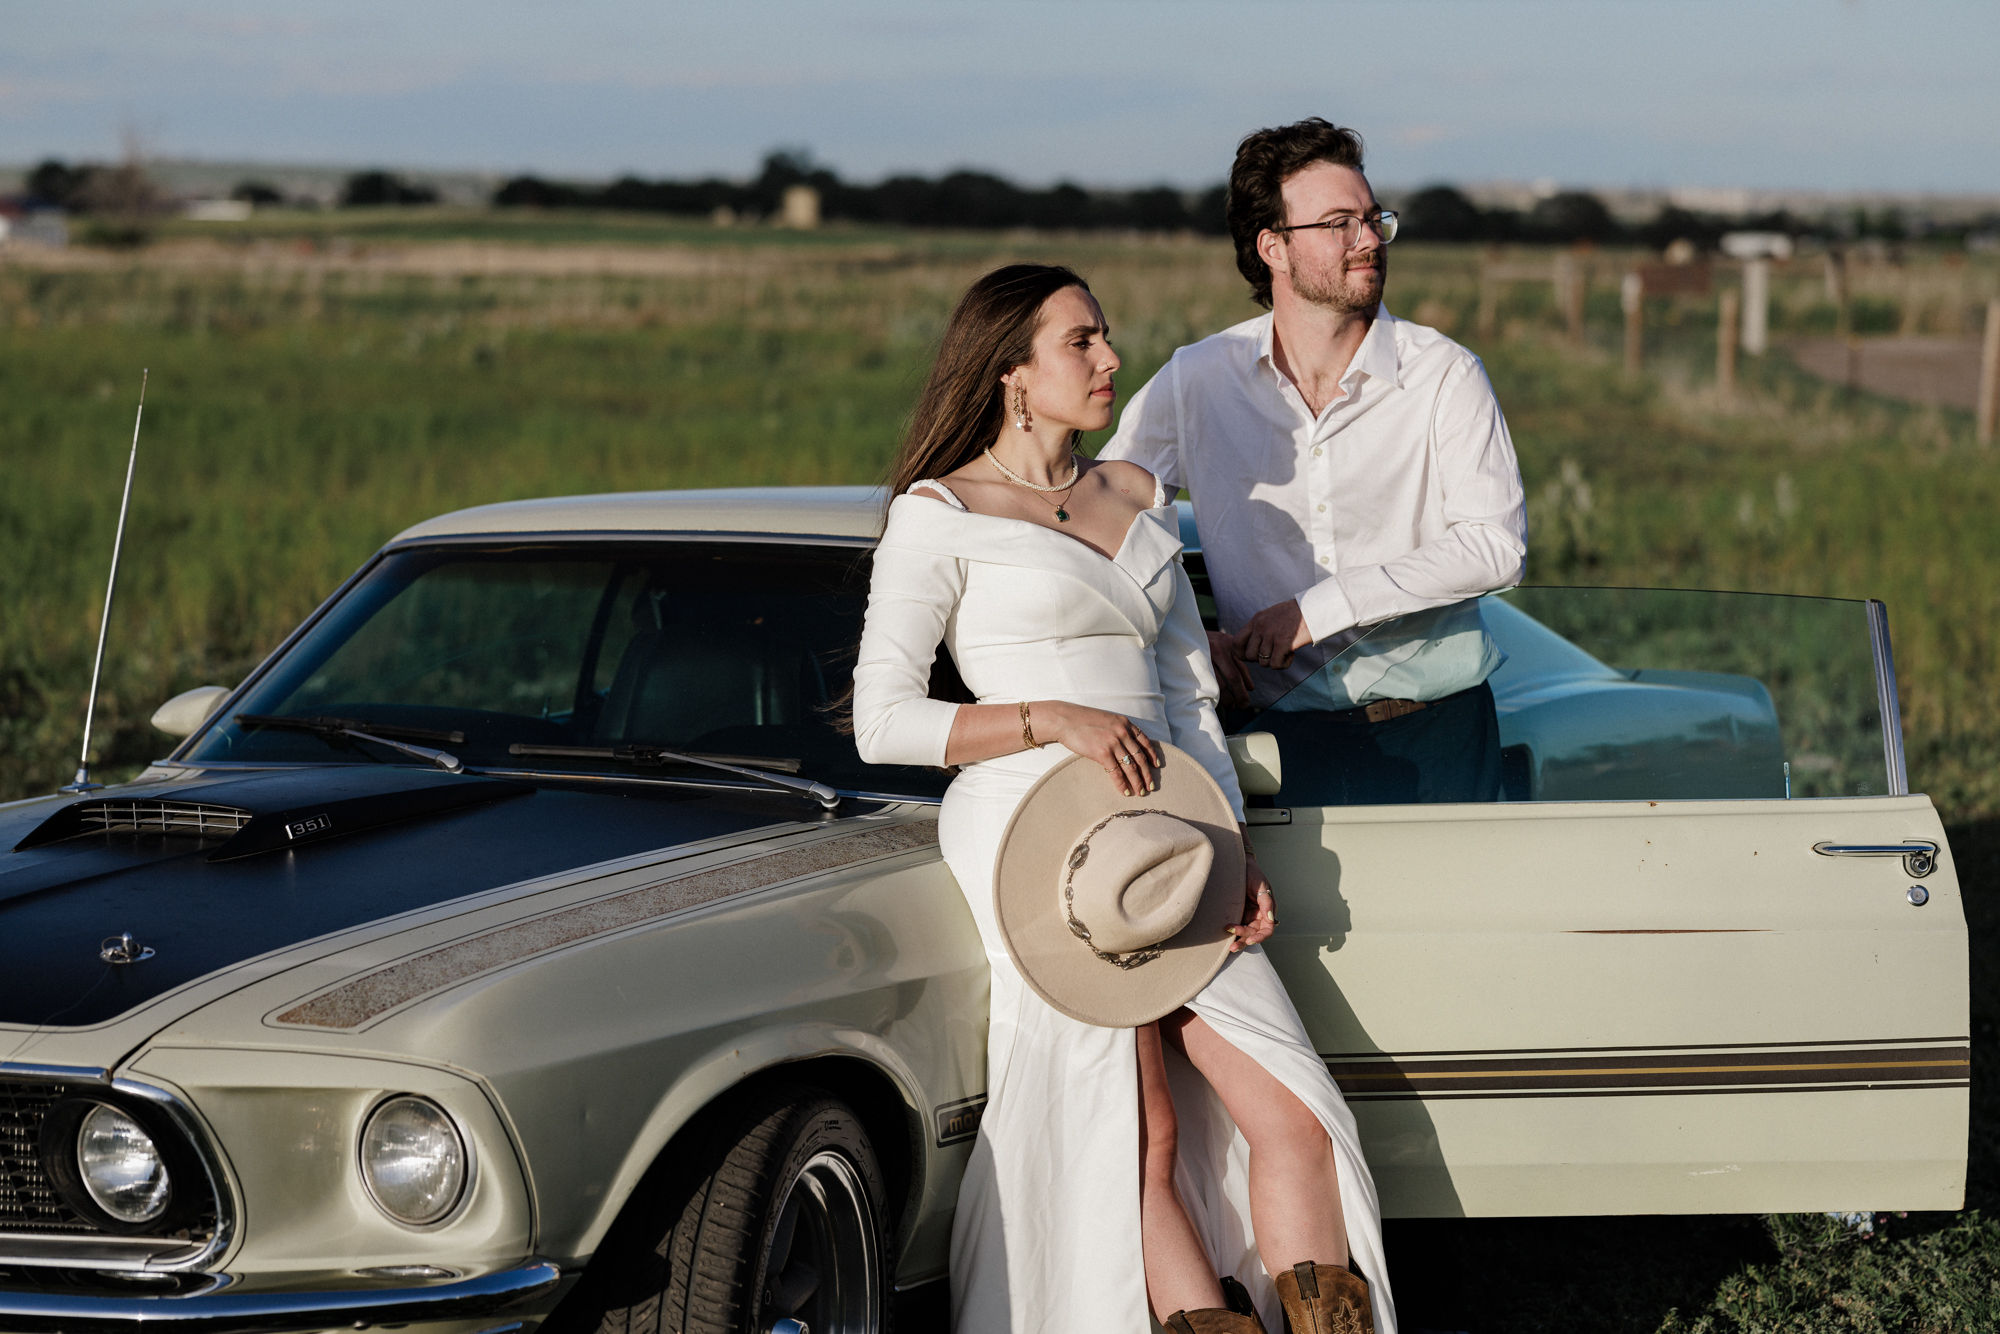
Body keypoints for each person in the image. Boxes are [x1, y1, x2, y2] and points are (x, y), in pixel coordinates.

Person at [853, 263, 1394, 1334]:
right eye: (1081, 343)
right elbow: (884, 720)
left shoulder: (1138, 495)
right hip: (1037, 837)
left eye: (1105, 337)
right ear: (1011, 372)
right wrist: (1049, 716)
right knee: (1127, 1130)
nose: (1110, 361)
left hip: (1167, 828)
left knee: (1292, 1116)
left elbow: (1191, 701)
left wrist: (1230, 849)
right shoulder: (939, 512)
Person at [1101, 119, 1528, 807]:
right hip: (1267, 738)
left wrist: (1317, 609)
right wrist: (1182, 635)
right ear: (1273, 246)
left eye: (1371, 219)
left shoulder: (1445, 374)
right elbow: (1103, 518)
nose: (1367, 241)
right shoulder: (1199, 379)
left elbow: (1494, 545)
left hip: (1435, 731)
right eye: (1338, 224)